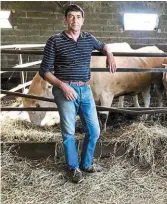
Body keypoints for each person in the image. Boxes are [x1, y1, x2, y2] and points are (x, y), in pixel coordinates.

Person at [39, 4, 116, 184]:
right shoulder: (55, 40)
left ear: (83, 19)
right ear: (66, 19)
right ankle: (73, 168)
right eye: (71, 16)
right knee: (68, 132)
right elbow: (44, 70)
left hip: (85, 89)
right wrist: (63, 86)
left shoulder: (88, 38)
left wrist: (109, 54)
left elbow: (103, 45)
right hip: (65, 89)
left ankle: (86, 164)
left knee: (94, 130)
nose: (75, 20)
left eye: (78, 17)